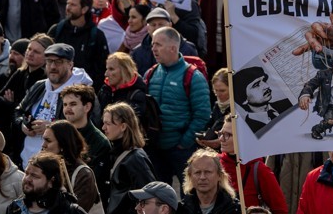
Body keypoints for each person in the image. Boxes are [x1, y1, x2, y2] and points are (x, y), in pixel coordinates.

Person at [145, 27, 210, 184]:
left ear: (173, 48)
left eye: (158, 44)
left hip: (181, 150)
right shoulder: (151, 73)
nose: (153, 48)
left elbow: (202, 114)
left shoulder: (193, 76)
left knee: (189, 195)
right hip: (156, 149)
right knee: (160, 196)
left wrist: (184, 143)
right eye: (153, 44)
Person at [13, 43, 94, 164]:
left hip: (57, 165)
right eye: (49, 61)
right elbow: (19, 111)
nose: (53, 66)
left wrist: (52, 128)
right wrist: (23, 124)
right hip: (27, 161)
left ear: (70, 64)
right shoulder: (40, 86)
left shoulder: (81, 90)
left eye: (59, 62)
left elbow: (85, 127)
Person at [216, 118, 285, 214]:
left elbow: (280, 210)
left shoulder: (259, 170)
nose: (221, 139)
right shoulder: (213, 165)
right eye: (221, 133)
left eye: (228, 135)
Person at [48, 0, 110, 90]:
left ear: (84, 9)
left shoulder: (96, 36)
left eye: (73, 5)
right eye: (68, 3)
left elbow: (101, 70)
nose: (68, 8)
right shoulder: (56, 30)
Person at [102, 102, 156, 214]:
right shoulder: (114, 152)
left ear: (123, 126)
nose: (103, 128)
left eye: (108, 124)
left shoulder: (136, 159)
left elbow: (149, 196)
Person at [41, 120, 100, 214]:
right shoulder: (44, 168)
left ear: (63, 144)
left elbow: (77, 211)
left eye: (48, 140)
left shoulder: (83, 174)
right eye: (43, 139)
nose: (43, 145)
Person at [8, 151, 86, 214]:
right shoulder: (15, 208)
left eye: (34, 176)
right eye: (26, 173)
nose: (27, 179)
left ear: (51, 181)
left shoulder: (70, 211)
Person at [178, 148, 239, 214]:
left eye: (208, 172)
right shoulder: (182, 209)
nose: (202, 177)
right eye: (197, 172)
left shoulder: (235, 209)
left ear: (219, 175)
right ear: (190, 176)